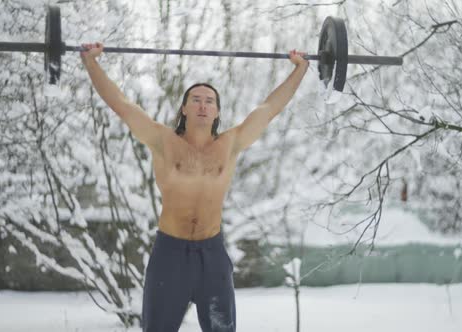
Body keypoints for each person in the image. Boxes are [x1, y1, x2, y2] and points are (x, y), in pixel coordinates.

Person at [81, 42, 308, 332]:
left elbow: (270, 108)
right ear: (185, 109)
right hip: (170, 254)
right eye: (196, 99)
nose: (203, 105)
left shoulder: (230, 144)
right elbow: (122, 105)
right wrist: (91, 63)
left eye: (210, 101)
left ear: (217, 112)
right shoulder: (163, 141)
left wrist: (300, 69)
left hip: (212, 255)